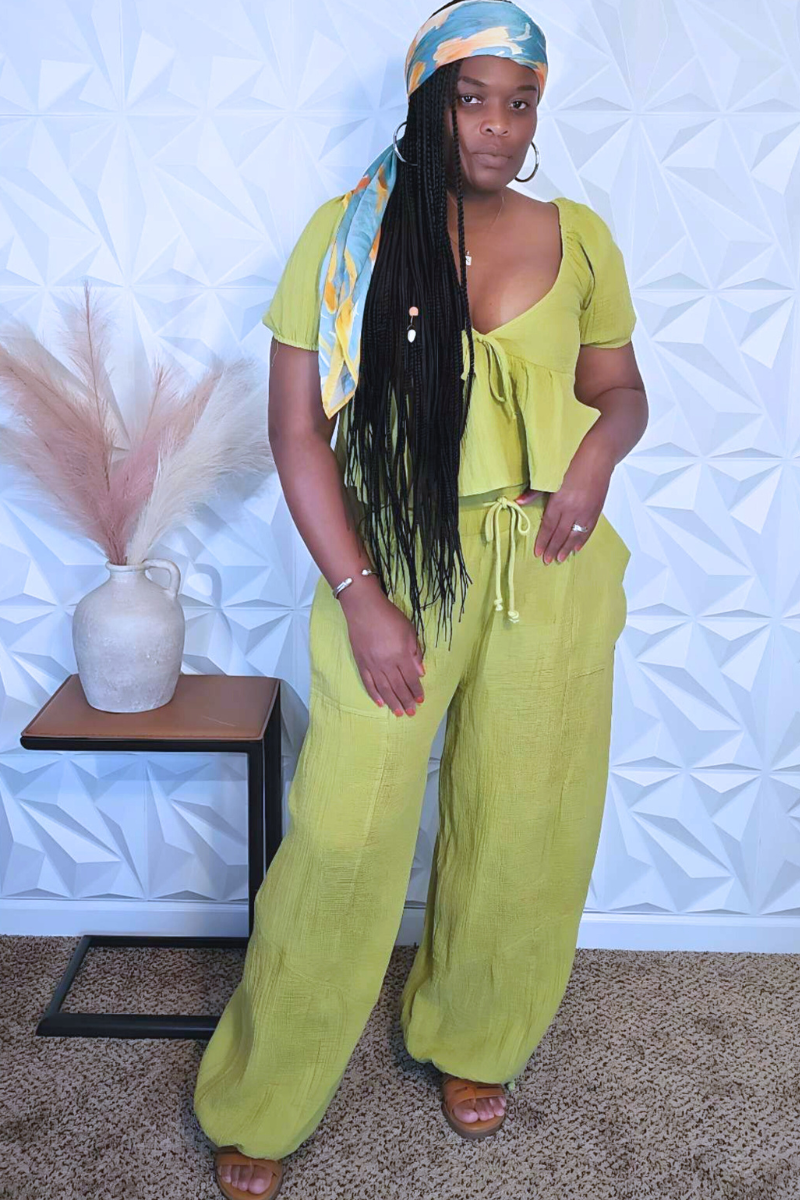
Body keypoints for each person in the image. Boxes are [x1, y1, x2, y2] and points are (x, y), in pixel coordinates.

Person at [194, 1, 648, 1196]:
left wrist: (592, 464)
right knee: (345, 832)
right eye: (471, 97)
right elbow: (296, 433)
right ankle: (264, 1093)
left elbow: (619, 391)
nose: (496, 125)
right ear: (426, 102)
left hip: (549, 565)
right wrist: (359, 596)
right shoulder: (348, 236)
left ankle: (472, 1038)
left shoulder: (578, 238)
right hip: (395, 564)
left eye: (519, 101)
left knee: (525, 822)